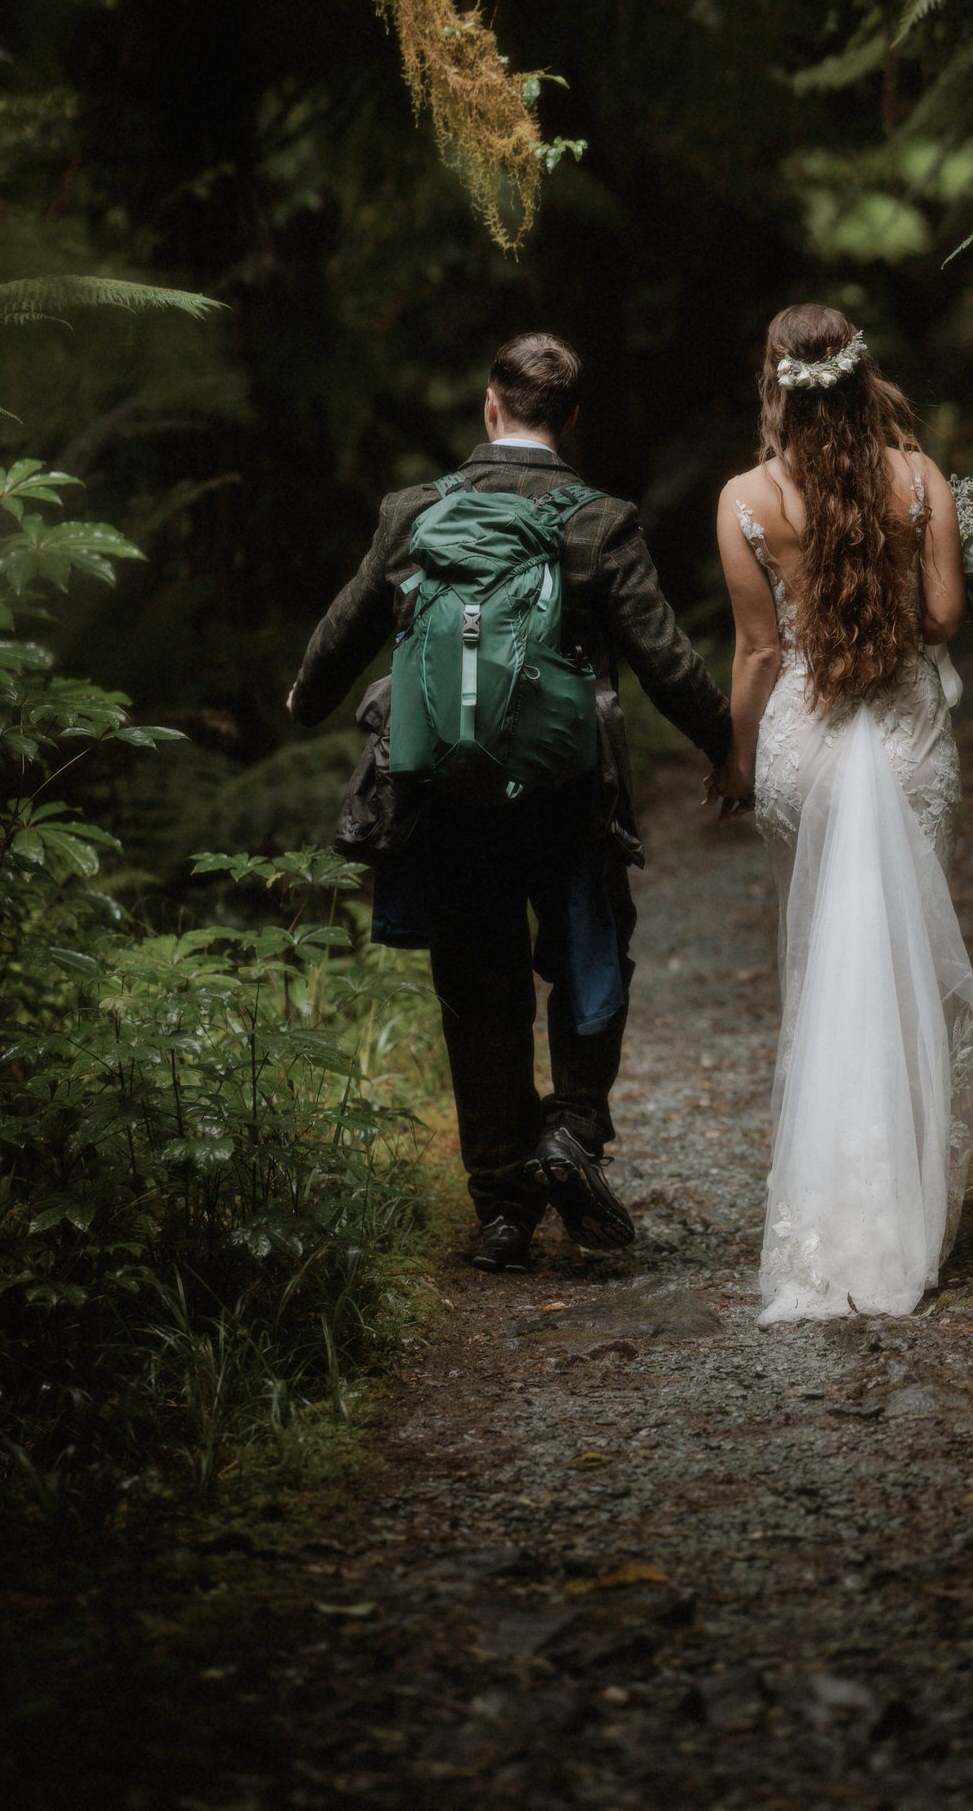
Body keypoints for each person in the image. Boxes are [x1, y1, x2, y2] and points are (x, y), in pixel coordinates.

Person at [289, 331, 731, 1274]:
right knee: (590, 953)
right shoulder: (598, 521)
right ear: (569, 421)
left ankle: (500, 1206)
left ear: (490, 407)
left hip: (446, 799)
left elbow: (344, 627)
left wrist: (304, 696)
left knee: (476, 990)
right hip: (567, 794)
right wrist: (729, 746)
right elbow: (666, 659)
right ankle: (571, 1130)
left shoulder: (414, 512)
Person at [712, 305, 973, 1323]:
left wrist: (737, 760)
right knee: (903, 949)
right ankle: (908, 1199)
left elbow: (756, 653)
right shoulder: (919, 480)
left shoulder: (745, 498)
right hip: (907, 741)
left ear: (776, 382)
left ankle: (836, 1196)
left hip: (806, 751)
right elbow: (946, 617)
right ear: (865, 377)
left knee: (833, 956)